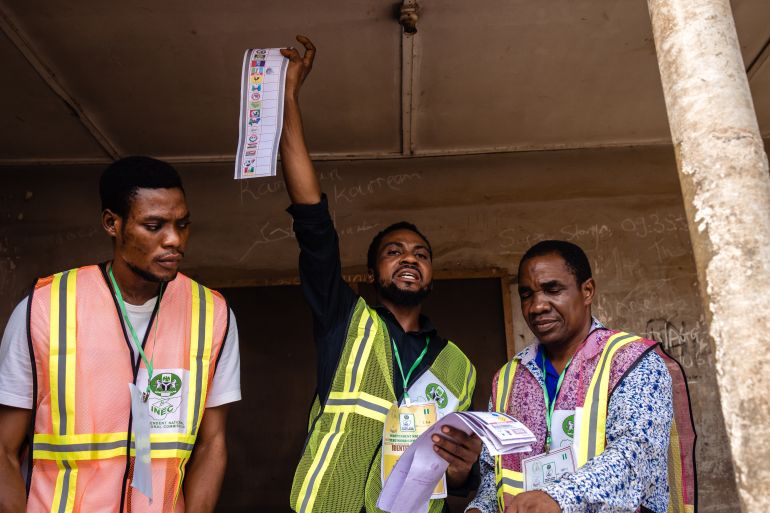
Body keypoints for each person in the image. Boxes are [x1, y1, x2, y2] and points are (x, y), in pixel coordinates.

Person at [279, 36, 482, 513]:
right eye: (394, 251)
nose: (409, 259)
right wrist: (289, 98)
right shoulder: (343, 319)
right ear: (372, 273)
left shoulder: (460, 367)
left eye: (421, 254)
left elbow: (457, 475)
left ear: (431, 275)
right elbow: (313, 224)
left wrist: (465, 470)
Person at [0, 156, 241, 513]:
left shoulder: (211, 313)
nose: (174, 239)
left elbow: (212, 443)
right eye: (154, 225)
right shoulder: (45, 308)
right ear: (112, 223)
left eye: (182, 224)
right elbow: (4, 448)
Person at [467, 240, 695, 513]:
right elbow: (495, 472)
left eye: (552, 290)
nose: (537, 306)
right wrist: (480, 508)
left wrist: (559, 496)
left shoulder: (631, 361)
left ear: (587, 291)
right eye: (527, 294)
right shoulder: (508, 378)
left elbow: (636, 456)